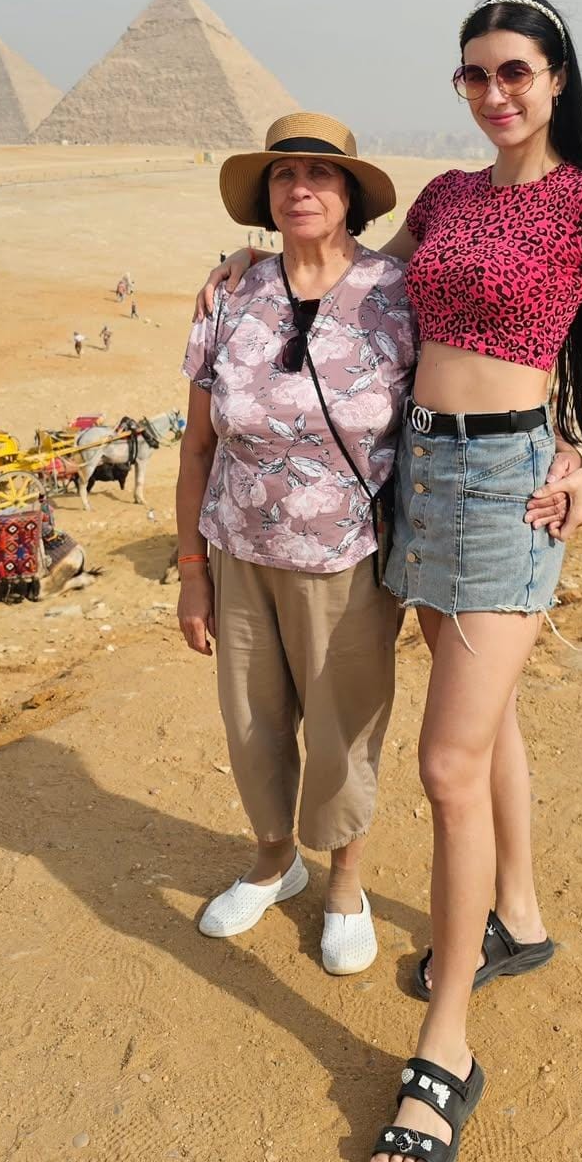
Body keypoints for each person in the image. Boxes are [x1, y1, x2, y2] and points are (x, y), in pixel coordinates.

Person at [202, 0, 582, 1162]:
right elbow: (355, 282)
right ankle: (518, 918)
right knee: (490, 730)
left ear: (557, 79)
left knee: (443, 763)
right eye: (476, 75)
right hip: (418, 476)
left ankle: (444, 1049)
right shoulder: (442, 197)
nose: (495, 94)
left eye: (516, 73)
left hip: (506, 485)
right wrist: (259, 271)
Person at [176, 112, 416, 976]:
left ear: (350, 194)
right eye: (284, 176)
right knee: (254, 722)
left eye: (321, 174)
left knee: (344, 728)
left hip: (347, 558)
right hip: (238, 549)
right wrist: (193, 570)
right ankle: (275, 860)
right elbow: (198, 446)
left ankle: (345, 880)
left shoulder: (397, 293)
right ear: (265, 196)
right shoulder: (231, 294)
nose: (301, 188)